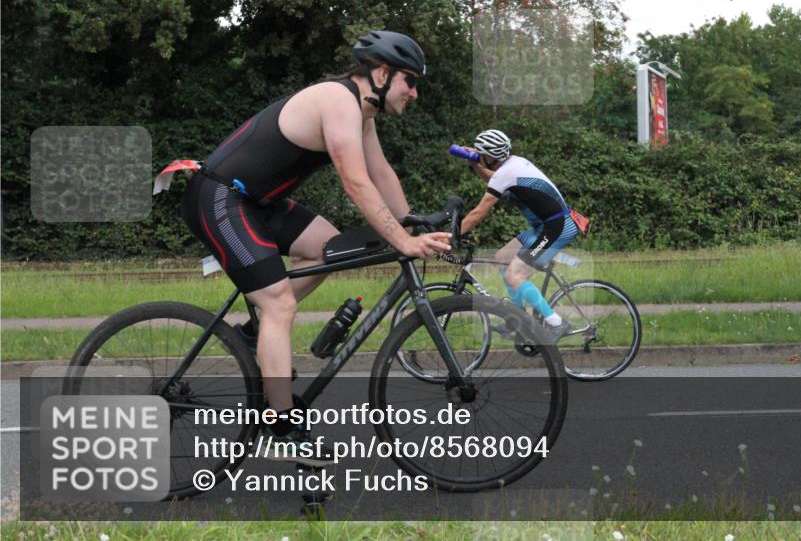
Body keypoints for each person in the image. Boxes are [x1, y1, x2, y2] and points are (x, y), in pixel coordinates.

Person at [180, 31, 451, 463]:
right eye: (410, 81)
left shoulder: (362, 115)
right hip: (219, 198)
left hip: (257, 201)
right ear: (382, 73)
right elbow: (355, 180)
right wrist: (402, 240)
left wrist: (413, 225)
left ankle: (253, 334)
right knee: (280, 305)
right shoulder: (337, 100)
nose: (414, 93)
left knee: (332, 247)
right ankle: (282, 426)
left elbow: (381, 175)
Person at [458, 129, 579, 340]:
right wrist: (475, 163)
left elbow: (477, 214)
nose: (478, 156)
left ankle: (557, 323)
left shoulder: (506, 172)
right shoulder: (512, 164)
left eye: (481, 153)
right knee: (502, 260)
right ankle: (518, 320)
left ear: (490, 156)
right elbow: (494, 178)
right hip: (545, 225)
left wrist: (450, 235)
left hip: (557, 227)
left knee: (515, 275)